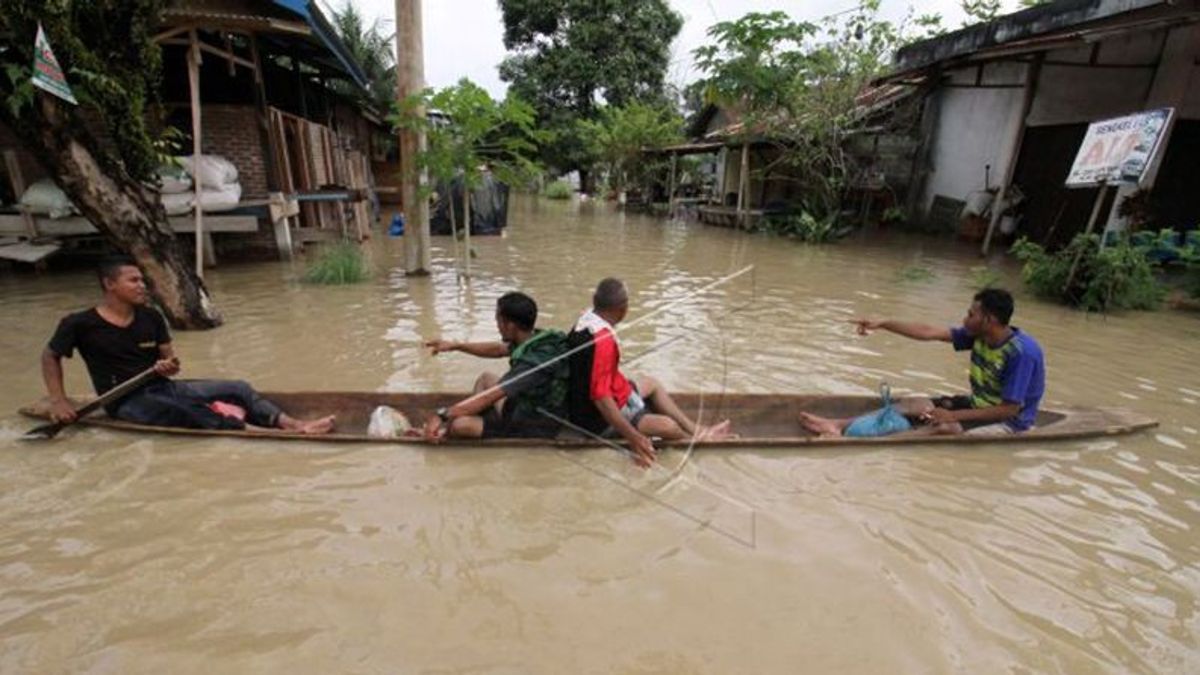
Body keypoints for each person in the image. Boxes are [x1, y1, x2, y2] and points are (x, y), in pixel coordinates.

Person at [41, 256, 335, 434]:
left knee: (239, 388)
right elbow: (50, 356)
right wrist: (59, 400)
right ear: (109, 284)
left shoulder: (151, 317)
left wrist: (167, 366)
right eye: (133, 281)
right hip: (126, 401)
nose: (142, 285)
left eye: (142, 280)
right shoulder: (79, 323)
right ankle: (261, 433)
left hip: (162, 386)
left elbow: (171, 365)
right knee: (189, 411)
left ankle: (292, 424)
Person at [798, 288, 1045, 437]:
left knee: (943, 429)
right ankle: (837, 425)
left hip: (1009, 423)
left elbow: (1009, 410)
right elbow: (927, 332)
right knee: (914, 404)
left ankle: (858, 441)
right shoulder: (977, 335)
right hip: (978, 405)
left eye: (971, 314)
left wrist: (952, 416)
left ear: (989, 320)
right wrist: (883, 323)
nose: (965, 318)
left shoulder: (1021, 353)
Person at [566, 278, 733, 466]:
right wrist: (633, 437)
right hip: (597, 419)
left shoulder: (585, 320)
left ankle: (696, 430)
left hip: (598, 398)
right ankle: (690, 440)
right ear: (623, 309)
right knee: (669, 427)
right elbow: (602, 399)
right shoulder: (603, 341)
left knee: (651, 383)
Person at [422, 292, 569, 441]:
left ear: (510, 326)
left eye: (498, 321)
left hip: (533, 426)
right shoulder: (533, 338)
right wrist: (457, 346)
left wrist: (441, 416)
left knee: (459, 426)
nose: (497, 326)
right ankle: (475, 421)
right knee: (486, 378)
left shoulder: (533, 363)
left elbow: (491, 396)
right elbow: (498, 349)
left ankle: (442, 435)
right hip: (523, 407)